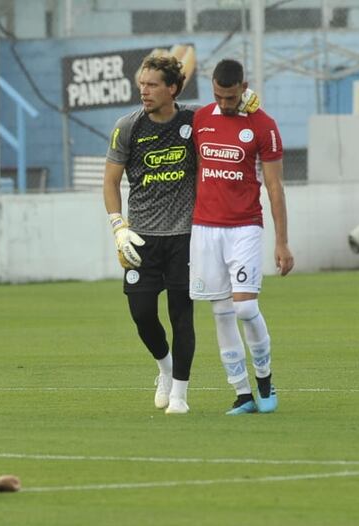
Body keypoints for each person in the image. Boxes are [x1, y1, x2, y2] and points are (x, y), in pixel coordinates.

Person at [103, 55, 259, 415]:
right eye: (142, 83)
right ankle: (165, 368)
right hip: (141, 238)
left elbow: (232, 117)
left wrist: (251, 105)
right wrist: (118, 226)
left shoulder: (196, 121)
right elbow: (110, 181)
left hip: (186, 237)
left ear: (173, 88)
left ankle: (180, 395)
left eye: (153, 84)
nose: (144, 91)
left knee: (181, 316)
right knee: (141, 314)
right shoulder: (127, 127)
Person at [190, 59, 294, 415]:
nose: (224, 103)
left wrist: (281, 242)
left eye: (230, 97)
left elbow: (276, 188)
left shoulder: (263, 125)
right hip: (205, 227)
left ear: (243, 87)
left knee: (246, 308)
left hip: (245, 227)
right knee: (221, 312)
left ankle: (265, 379)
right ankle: (242, 394)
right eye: (218, 95)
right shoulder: (201, 118)